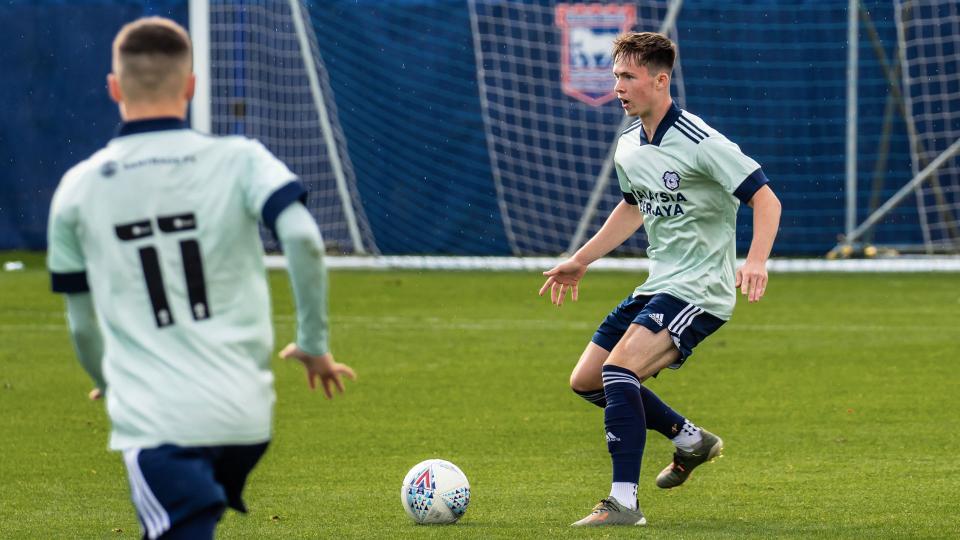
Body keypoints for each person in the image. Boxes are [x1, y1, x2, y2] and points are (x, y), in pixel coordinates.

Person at [46, 17, 356, 539]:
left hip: (158, 424)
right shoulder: (241, 159)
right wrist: (313, 343)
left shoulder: (78, 189)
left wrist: (109, 384)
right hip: (244, 420)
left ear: (114, 88)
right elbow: (304, 239)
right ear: (190, 86)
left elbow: (81, 326)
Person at [539, 32, 781, 527]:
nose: (618, 87)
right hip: (659, 285)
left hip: (701, 290)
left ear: (660, 80)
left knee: (619, 371)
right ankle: (691, 440)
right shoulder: (629, 145)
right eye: (615, 77)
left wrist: (756, 260)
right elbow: (632, 207)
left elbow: (766, 199)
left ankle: (623, 502)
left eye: (628, 77)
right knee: (587, 381)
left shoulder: (701, 141)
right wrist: (581, 259)